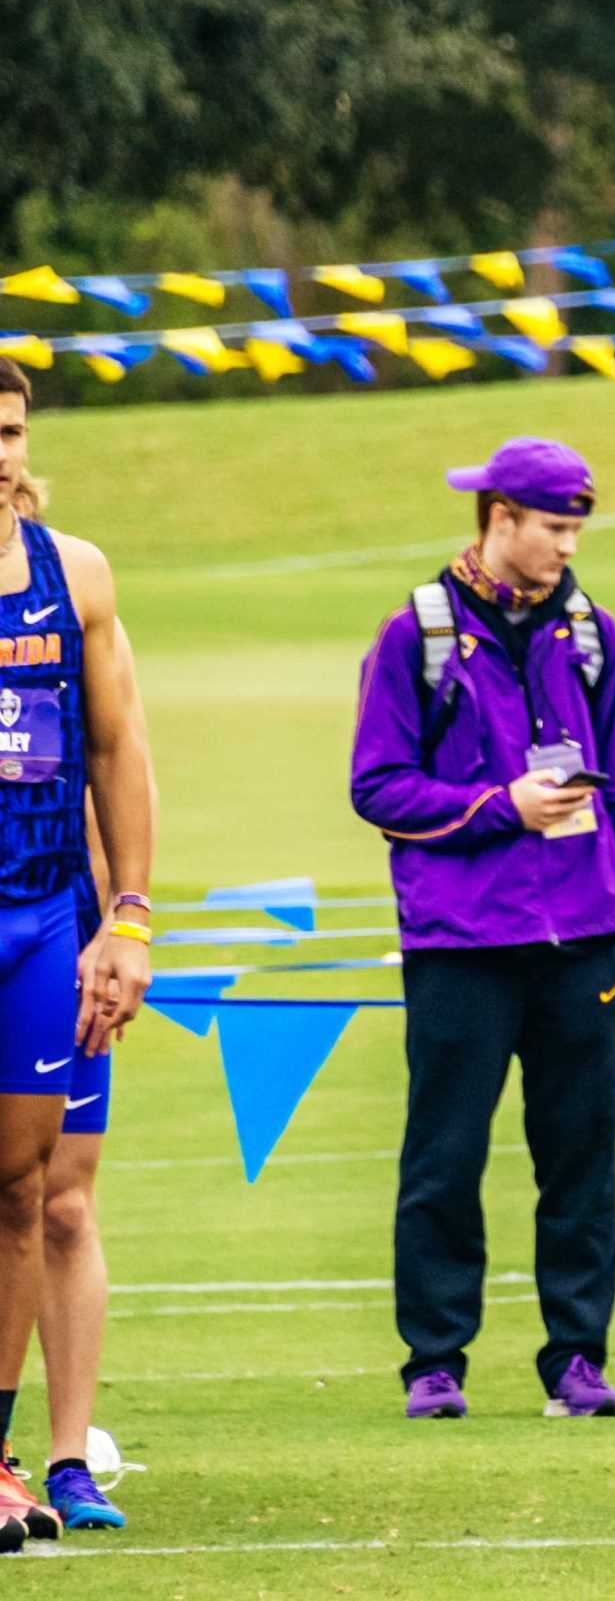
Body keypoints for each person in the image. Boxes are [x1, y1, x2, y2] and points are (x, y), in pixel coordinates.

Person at [350, 438, 615, 1423]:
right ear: (501, 519)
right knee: (443, 1152)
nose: (568, 546)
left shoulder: (592, 631)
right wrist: (499, 807)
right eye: (554, 529)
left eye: (575, 529)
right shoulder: (415, 635)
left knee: (581, 1152)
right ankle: (434, 1361)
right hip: (460, 944)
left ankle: (578, 1359)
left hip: (584, 938)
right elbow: (378, 786)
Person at [0, 360, 153, 1543]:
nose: (0, 454)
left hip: (50, 920)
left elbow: (117, 753)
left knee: (43, 1194)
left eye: (10, 432)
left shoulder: (75, 575)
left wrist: (127, 918)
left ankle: (45, 1458)